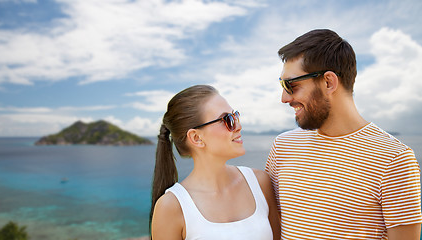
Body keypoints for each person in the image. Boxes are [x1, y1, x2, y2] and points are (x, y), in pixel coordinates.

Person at [265, 29, 422, 239]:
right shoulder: (283, 146)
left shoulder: (394, 159)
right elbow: (272, 225)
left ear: (329, 82)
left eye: (291, 85)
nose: (284, 98)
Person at [150, 85, 281, 240]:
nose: (238, 126)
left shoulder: (260, 183)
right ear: (196, 138)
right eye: (227, 120)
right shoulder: (171, 206)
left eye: (235, 115)